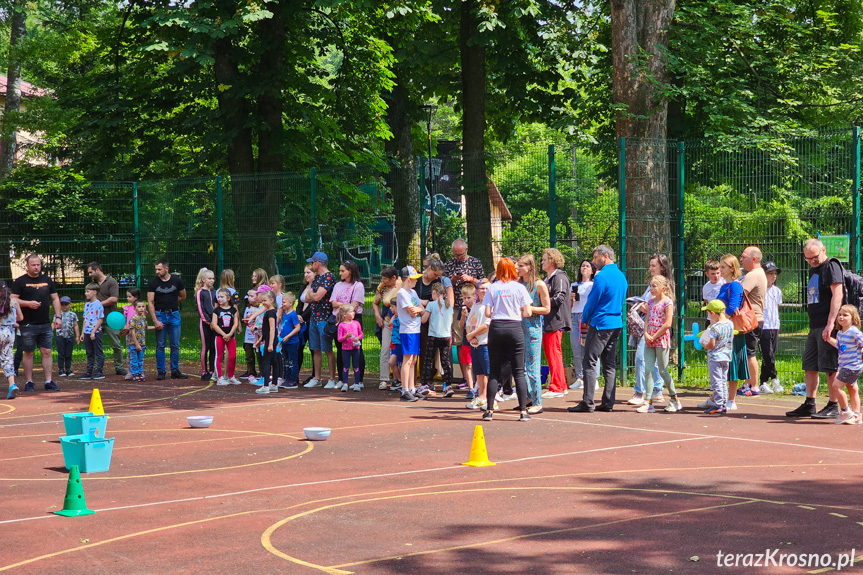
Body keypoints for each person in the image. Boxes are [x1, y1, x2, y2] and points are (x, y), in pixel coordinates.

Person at [787, 238, 844, 419]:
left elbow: (838, 295)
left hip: (827, 325)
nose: (812, 261)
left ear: (823, 250)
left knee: (829, 366)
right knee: (810, 365)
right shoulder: (814, 269)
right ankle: (809, 403)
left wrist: (830, 323)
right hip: (814, 325)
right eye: (808, 258)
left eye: (814, 257)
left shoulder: (831, 266)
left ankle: (833, 405)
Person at [569, 245, 628, 413]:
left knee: (590, 361)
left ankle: (587, 402)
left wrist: (585, 317)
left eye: (595, 258)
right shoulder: (621, 276)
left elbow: (593, 301)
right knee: (609, 363)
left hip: (601, 323)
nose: (594, 262)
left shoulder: (602, 277)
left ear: (606, 256)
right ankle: (608, 402)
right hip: (616, 322)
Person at [481, 259, 533, 422]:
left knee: (494, 371)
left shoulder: (493, 287)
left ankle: (489, 410)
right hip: (514, 327)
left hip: (496, 328)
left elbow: (488, 313)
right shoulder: (519, 287)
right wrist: (516, 311)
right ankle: (523, 411)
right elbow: (528, 312)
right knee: (518, 371)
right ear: (512, 270)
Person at [11, 253, 63, 392]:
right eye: (33, 265)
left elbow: (55, 299)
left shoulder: (47, 279)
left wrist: (58, 317)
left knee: (46, 351)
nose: (36, 267)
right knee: (28, 352)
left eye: (38, 264)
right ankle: (29, 382)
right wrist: (27, 303)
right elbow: (12, 300)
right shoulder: (20, 281)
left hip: (45, 323)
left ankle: (48, 381)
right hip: (27, 324)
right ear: (27, 265)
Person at [704, 254, 748, 412]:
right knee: (721, 366)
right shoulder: (724, 286)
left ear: (731, 268)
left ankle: (731, 400)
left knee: (731, 364)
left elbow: (732, 307)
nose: (720, 270)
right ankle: (717, 398)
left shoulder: (735, 285)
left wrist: (721, 324)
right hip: (723, 328)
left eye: (723, 267)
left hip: (731, 331)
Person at [629, 254, 673, 406]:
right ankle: (651, 391)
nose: (651, 268)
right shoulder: (651, 285)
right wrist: (641, 305)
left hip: (659, 330)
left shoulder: (666, 286)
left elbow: (665, 310)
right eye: (650, 265)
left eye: (654, 265)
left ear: (662, 266)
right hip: (647, 328)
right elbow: (645, 301)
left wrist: (648, 308)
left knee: (653, 362)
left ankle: (648, 391)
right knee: (645, 359)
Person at [635, 276, 682, 413]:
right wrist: (646, 333)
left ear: (663, 288)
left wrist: (654, 336)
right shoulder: (650, 302)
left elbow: (668, 323)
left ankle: (674, 399)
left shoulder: (667, 302)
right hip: (650, 339)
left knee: (663, 370)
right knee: (648, 369)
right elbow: (647, 320)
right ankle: (648, 402)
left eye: (654, 286)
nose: (651, 288)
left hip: (661, 339)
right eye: (650, 285)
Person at [516, 254, 550, 414]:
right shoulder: (517, 284)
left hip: (533, 329)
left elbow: (546, 308)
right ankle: (527, 398)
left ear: (530, 267)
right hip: (517, 328)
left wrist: (529, 309)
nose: (518, 268)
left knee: (532, 365)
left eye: (521, 265)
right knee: (520, 365)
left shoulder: (539, 285)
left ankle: (537, 401)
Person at [445, 239, 484, 366]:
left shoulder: (475, 262)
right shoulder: (450, 264)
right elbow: (444, 284)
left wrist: (471, 279)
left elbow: (483, 283)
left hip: (474, 305)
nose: (458, 257)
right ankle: (465, 374)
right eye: (456, 254)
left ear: (466, 249)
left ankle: (475, 370)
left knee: (474, 336)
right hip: (457, 306)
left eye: (461, 254)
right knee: (460, 340)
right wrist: (453, 279)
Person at [147, 259, 188, 380]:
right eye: (156, 269)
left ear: (166, 269)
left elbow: (183, 296)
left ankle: (175, 370)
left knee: (175, 344)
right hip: (160, 315)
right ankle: (161, 371)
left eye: (159, 269)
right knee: (160, 345)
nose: (157, 271)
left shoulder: (177, 281)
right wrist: (155, 320)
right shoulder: (153, 283)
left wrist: (172, 302)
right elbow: (150, 302)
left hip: (174, 314)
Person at [303, 252, 337, 389]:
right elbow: (306, 297)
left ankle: (332, 379)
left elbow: (316, 297)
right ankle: (317, 378)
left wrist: (312, 295)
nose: (312, 265)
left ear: (317, 263)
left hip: (325, 318)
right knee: (315, 348)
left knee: (327, 349)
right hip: (313, 318)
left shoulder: (329, 277)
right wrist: (312, 295)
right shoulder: (317, 279)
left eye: (312, 263)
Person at [540, 248, 571, 399]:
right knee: (550, 353)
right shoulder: (547, 278)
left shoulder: (559, 277)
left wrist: (543, 304)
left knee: (554, 353)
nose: (542, 262)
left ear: (552, 261)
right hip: (547, 320)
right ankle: (559, 384)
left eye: (544, 260)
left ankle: (558, 387)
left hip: (555, 320)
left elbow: (559, 298)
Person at [330, 260, 365, 391]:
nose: (340, 273)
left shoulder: (358, 285)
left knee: (357, 347)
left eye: (342, 271)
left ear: (350, 271)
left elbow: (355, 305)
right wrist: (345, 308)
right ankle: (342, 379)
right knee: (340, 347)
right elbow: (333, 303)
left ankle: (359, 380)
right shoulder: (338, 285)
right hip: (339, 319)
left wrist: (344, 308)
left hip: (353, 318)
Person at [416, 258, 453, 382]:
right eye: (435, 274)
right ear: (429, 268)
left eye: (439, 275)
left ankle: (440, 379)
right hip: (420, 318)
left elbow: (442, 300)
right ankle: (425, 380)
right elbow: (411, 296)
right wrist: (422, 304)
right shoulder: (417, 281)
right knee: (425, 351)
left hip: (436, 320)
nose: (436, 277)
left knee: (439, 354)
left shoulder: (438, 281)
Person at [826, 305, 863, 424]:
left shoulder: (854, 332)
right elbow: (841, 347)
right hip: (844, 366)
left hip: (853, 366)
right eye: (839, 315)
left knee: (836, 386)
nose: (841, 317)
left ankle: (845, 411)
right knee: (852, 389)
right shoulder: (840, 333)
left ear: (853, 318)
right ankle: (857, 416)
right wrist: (828, 339)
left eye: (845, 315)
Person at [87, 262, 125, 376]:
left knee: (116, 344)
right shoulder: (92, 284)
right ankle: (95, 368)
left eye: (90, 272)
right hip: (96, 319)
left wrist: (97, 305)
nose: (89, 275)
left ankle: (119, 367)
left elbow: (113, 299)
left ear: (97, 270)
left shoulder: (111, 281)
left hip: (110, 318)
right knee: (94, 345)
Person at [739, 246, 768, 394]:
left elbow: (739, 294)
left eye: (744, 257)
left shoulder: (753, 275)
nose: (741, 259)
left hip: (750, 319)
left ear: (754, 259)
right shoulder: (758, 273)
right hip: (753, 319)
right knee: (746, 352)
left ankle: (754, 386)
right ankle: (747, 383)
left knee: (750, 353)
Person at [700, 299, 734, 415]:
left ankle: (718, 404)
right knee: (723, 380)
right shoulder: (730, 324)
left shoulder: (715, 328)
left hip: (715, 357)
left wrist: (704, 345)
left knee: (716, 382)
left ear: (713, 313)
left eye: (708, 313)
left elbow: (711, 344)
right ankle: (723, 403)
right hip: (726, 356)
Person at [421, 282, 455, 397]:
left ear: (434, 293)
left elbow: (423, 320)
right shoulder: (449, 305)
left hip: (433, 336)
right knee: (445, 361)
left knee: (428, 360)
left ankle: (424, 384)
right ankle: (448, 385)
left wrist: (422, 311)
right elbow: (450, 320)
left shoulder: (431, 305)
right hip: (445, 336)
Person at [397, 266, 424, 402]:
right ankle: (405, 390)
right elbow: (412, 311)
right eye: (414, 279)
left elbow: (421, 309)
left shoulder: (412, 292)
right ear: (408, 279)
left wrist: (418, 309)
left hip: (415, 329)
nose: (416, 281)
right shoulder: (402, 293)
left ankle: (412, 388)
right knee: (407, 360)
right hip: (408, 330)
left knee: (413, 360)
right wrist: (418, 309)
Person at [464, 279, 492, 410]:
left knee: (487, 372)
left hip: (486, 343)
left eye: (487, 289)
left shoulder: (491, 306)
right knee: (479, 372)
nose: (484, 291)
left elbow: (487, 324)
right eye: (482, 288)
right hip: (475, 344)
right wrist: (471, 337)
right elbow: (469, 323)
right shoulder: (475, 306)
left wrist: (471, 335)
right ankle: (481, 397)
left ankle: (488, 398)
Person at [372, 267, 401, 390]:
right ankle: (383, 379)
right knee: (385, 349)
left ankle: (398, 379)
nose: (383, 281)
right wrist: (378, 316)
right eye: (382, 278)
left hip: (400, 324)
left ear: (393, 278)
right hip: (387, 322)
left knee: (398, 351)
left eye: (385, 279)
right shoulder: (382, 287)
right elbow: (375, 302)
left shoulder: (403, 284)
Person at [569, 259, 596, 390]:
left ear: (592, 270)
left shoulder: (594, 284)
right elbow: (569, 306)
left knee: (590, 348)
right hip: (574, 316)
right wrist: (570, 298)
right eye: (582, 266)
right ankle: (580, 377)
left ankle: (593, 378)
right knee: (576, 348)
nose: (584, 268)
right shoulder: (574, 284)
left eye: (587, 266)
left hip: (587, 318)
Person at [759, 261, 783, 394]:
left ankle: (763, 382)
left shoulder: (777, 291)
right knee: (767, 354)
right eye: (770, 274)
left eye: (775, 274)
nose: (773, 276)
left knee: (770, 354)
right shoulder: (759, 290)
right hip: (764, 326)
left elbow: (776, 308)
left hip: (775, 325)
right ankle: (774, 378)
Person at [212, 288, 240, 386]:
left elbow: (235, 323)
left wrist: (230, 334)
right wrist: (223, 334)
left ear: (228, 298)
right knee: (219, 356)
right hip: (220, 337)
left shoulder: (233, 310)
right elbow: (214, 324)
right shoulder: (216, 310)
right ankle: (219, 377)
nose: (219, 299)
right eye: (218, 297)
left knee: (233, 356)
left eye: (222, 297)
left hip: (230, 337)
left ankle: (231, 376)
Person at [78, 283, 105, 380]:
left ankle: (99, 371)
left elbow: (100, 319)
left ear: (94, 292)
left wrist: (93, 331)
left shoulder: (98, 305)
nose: (86, 293)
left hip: (95, 332)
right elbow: (85, 319)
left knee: (98, 352)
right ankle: (89, 371)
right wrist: (82, 332)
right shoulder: (87, 304)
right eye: (85, 291)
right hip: (87, 332)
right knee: (89, 352)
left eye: (88, 291)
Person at [194, 267, 217, 381]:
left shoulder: (214, 292)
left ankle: (213, 370)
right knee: (206, 346)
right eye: (209, 278)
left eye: (213, 278)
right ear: (203, 279)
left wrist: (215, 322)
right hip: (205, 324)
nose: (211, 281)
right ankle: (204, 371)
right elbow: (200, 309)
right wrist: (208, 321)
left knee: (214, 347)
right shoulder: (200, 292)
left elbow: (217, 307)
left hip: (214, 323)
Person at [255, 290, 279, 394]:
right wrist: (260, 340)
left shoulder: (270, 313)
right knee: (274, 361)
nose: (263, 303)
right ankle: (274, 384)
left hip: (271, 340)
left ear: (272, 300)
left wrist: (269, 344)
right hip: (269, 339)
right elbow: (266, 329)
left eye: (265, 300)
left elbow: (272, 329)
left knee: (266, 362)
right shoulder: (269, 312)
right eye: (262, 301)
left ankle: (265, 385)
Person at [2, 283, 23, 399]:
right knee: (8, 359)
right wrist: (11, 322)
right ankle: (12, 384)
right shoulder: (14, 301)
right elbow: (20, 318)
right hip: (9, 333)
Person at [337, 305, 364, 391]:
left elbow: (361, 334)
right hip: (345, 349)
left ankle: (357, 384)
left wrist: (358, 338)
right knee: (346, 366)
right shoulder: (341, 325)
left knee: (356, 366)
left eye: (354, 311)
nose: (353, 313)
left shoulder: (356, 323)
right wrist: (346, 336)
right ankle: (345, 383)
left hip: (356, 348)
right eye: (351, 312)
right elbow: (339, 339)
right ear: (344, 314)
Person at [278, 292, 301, 389]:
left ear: (291, 303)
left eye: (284, 302)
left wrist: (288, 336)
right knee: (286, 361)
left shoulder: (293, 314)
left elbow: (297, 327)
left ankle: (293, 380)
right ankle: (287, 379)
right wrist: (280, 334)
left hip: (292, 342)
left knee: (292, 362)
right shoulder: (285, 314)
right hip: (285, 342)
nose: (282, 304)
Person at [120, 288, 142, 379]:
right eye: (127, 296)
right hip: (129, 334)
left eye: (130, 297)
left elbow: (142, 320)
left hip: (139, 334)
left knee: (139, 353)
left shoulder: (140, 308)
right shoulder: (127, 308)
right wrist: (125, 327)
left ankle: (139, 371)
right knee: (130, 352)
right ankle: (130, 371)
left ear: (136, 297)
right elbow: (124, 320)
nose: (128, 299)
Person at [56, 296, 79, 377]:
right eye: (62, 304)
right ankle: (61, 369)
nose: (64, 306)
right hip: (60, 336)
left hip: (70, 336)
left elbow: (75, 325)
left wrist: (77, 336)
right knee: (61, 354)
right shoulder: (57, 315)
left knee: (68, 354)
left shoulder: (73, 315)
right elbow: (53, 324)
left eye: (66, 304)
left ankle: (68, 369)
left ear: (70, 305)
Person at [127, 300, 150, 382]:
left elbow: (146, 328)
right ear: (135, 308)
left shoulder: (143, 318)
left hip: (142, 342)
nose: (141, 308)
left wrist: (157, 326)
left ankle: (140, 373)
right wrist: (137, 344)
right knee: (134, 359)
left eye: (143, 306)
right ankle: (135, 374)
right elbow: (132, 332)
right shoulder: (133, 319)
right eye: (139, 307)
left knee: (140, 359)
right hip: (134, 343)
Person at [386, 297, 402, 391]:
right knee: (393, 362)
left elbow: (390, 322)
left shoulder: (400, 318)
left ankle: (400, 381)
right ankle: (398, 380)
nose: (391, 309)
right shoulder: (396, 316)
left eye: (392, 307)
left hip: (399, 343)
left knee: (393, 362)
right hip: (394, 343)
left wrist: (396, 314)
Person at [242, 289, 258, 381]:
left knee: (259, 355)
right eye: (249, 296)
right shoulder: (248, 308)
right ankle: (250, 371)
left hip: (257, 335)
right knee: (249, 355)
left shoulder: (260, 308)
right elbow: (245, 320)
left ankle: (262, 372)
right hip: (248, 335)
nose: (249, 298)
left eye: (252, 296)